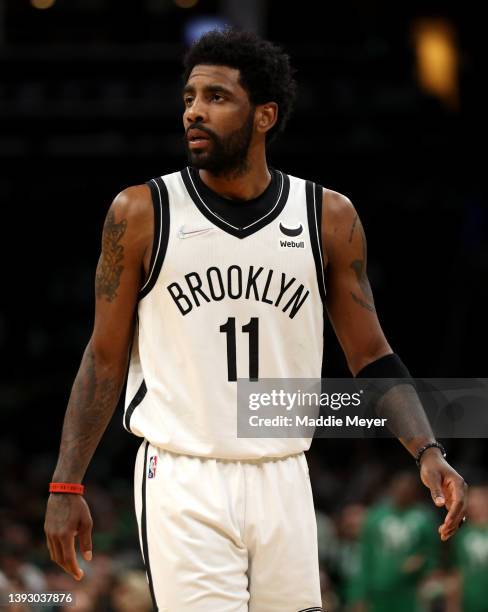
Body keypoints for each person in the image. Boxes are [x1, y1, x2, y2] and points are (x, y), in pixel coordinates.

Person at [44, 28, 468, 611]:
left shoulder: (327, 216)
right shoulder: (141, 212)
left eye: (216, 97)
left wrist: (428, 451)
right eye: (189, 97)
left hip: (284, 474)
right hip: (183, 475)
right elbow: (104, 356)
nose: (194, 111)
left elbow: (371, 352)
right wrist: (67, 483)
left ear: (264, 115)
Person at [355, 471, 440, 612]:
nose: (403, 493)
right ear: (391, 489)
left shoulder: (424, 517)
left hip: (411, 590)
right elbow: (365, 556)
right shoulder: (376, 516)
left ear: (415, 492)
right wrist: (359, 595)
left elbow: (433, 554)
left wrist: (422, 561)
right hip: (379, 588)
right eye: (400, 488)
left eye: (408, 489)